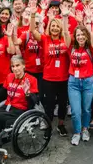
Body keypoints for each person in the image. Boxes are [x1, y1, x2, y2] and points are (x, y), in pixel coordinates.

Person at [30, 8, 70, 137]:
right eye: (52, 26)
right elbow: (32, 31)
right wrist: (32, 14)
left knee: (63, 103)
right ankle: (48, 125)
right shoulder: (45, 39)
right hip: (48, 78)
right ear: (49, 27)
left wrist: (64, 19)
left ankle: (61, 124)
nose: (54, 28)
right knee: (49, 105)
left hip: (63, 78)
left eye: (57, 26)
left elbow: (67, 33)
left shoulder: (65, 40)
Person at [65, 24, 93, 145]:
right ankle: (77, 132)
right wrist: (65, 18)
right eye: (78, 35)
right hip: (73, 82)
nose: (80, 37)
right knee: (75, 111)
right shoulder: (71, 47)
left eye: (83, 34)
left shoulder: (90, 48)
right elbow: (65, 34)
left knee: (86, 109)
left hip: (88, 82)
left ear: (86, 36)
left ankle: (85, 129)